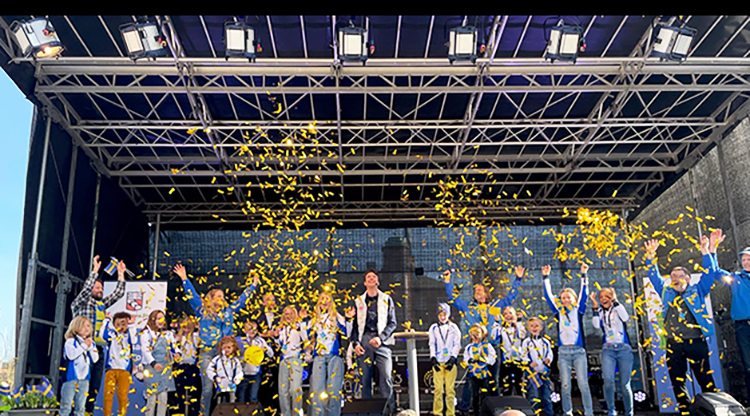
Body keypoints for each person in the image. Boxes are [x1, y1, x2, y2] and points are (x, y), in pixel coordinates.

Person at [645, 236, 718, 414]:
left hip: (696, 341)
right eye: (672, 277)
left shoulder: (698, 290)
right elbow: (653, 275)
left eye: (679, 276)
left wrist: (705, 250)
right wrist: (650, 255)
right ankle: (684, 408)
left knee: (704, 376)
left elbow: (710, 273)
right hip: (673, 344)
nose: (675, 279)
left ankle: (711, 409)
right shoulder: (665, 292)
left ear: (687, 278)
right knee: (677, 379)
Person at [173, 264, 258, 416]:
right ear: (210, 298)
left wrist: (252, 286)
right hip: (206, 353)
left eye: (223, 296)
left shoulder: (228, 312)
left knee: (229, 387)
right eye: (218, 296)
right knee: (207, 388)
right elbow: (192, 296)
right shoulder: (202, 310)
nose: (222, 298)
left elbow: (242, 300)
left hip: (224, 353)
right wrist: (185, 279)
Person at [444, 266, 523, 410]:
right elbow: (453, 299)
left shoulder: (495, 306)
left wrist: (518, 279)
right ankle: (465, 409)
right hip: (474, 347)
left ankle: (495, 408)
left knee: (493, 380)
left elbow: (510, 297)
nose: (476, 292)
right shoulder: (468, 307)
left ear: (486, 293)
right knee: (470, 380)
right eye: (475, 291)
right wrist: (448, 281)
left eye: (479, 290)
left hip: (492, 347)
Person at [71, 255, 126, 414]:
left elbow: (118, 294)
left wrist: (120, 274)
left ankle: (88, 412)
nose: (100, 290)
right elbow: (86, 289)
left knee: (94, 387)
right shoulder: (79, 303)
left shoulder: (101, 305)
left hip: (98, 350)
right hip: (81, 349)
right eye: (97, 288)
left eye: (101, 288)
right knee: (80, 385)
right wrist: (95, 270)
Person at [541, 263, 593, 416]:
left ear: (574, 299)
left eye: (568, 297)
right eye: (563, 298)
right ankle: (567, 412)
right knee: (565, 385)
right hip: (563, 352)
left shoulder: (579, 310)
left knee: (583, 384)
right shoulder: (559, 312)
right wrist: (546, 277)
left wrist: (584, 275)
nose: (565, 300)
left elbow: (584, 293)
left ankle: (589, 412)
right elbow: (548, 296)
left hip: (578, 351)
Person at [706, 228, 750, 405]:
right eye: (744, 259)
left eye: (749, 259)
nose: (746, 262)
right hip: (743, 327)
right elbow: (715, 272)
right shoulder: (736, 279)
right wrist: (712, 248)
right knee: (748, 366)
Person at [349, 270, 397, 413]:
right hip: (365, 340)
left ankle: (389, 410)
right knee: (365, 378)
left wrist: (381, 338)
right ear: (365, 283)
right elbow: (355, 327)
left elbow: (393, 323)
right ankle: (367, 412)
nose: (371, 278)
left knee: (386, 376)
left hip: (382, 340)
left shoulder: (386, 299)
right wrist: (356, 344)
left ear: (377, 282)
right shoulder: (358, 301)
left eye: (374, 277)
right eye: (368, 277)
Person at [591, 288, 633, 416]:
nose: (604, 299)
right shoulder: (600, 311)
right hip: (608, 349)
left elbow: (625, 318)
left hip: (623, 348)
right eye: (601, 297)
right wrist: (594, 306)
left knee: (625, 384)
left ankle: (629, 412)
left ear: (612, 297)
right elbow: (596, 325)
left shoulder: (618, 308)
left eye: (607, 296)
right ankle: (611, 410)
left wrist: (615, 300)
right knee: (608, 380)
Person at [308, 287, 348, 416]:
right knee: (317, 391)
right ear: (318, 302)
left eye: (327, 299)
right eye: (322, 299)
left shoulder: (336, 317)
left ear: (331, 302)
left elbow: (346, 332)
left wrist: (348, 318)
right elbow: (306, 336)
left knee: (334, 391)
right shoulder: (314, 319)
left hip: (334, 357)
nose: (324, 302)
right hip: (319, 357)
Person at [141, 310, 182, 416]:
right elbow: (145, 350)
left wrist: (177, 353)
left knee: (163, 399)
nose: (161, 321)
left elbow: (173, 346)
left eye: (162, 318)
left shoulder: (168, 334)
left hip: (165, 369)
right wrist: (154, 363)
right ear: (152, 319)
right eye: (158, 318)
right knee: (151, 399)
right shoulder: (146, 333)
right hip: (152, 368)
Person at [273, 305, 308, 416]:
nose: (288, 316)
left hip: (296, 360)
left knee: (295, 390)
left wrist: (302, 322)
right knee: (283, 392)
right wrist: (276, 336)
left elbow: (305, 338)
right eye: (286, 314)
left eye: (291, 313)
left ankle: (297, 414)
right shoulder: (282, 328)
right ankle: (286, 414)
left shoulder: (299, 326)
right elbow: (279, 345)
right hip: (284, 361)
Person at [60, 316, 99, 416]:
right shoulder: (70, 341)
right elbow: (71, 355)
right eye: (83, 326)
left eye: (88, 326)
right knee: (66, 407)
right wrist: (84, 346)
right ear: (76, 327)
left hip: (84, 380)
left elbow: (95, 359)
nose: (87, 329)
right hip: (71, 379)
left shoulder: (91, 343)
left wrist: (90, 347)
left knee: (81, 408)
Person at [99, 312, 134, 416]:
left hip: (125, 370)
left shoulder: (129, 336)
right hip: (111, 369)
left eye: (123, 325)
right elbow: (102, 335)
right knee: (108, 395)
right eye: (118, 325)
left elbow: (135, 339)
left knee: (122, 395)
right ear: (114, 325)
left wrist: (132, 325)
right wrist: (106, 320)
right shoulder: (112, 335)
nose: (120, 327)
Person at [429, 303, 461, 416]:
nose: (442, 317)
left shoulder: (454, 327)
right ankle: (437, 413)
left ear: (448, 314)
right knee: (438, 389)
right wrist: (433, 358)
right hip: (438, 361)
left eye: (444, 314)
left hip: (450, 362)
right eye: (440, 314)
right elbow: (432, 343)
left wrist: (453, 358)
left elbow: (457, 344)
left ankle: (450, 413)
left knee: (450, 390)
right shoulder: (433, 328)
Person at [520, 317, 554, 416]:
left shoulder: (546, 341)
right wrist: (529, 362)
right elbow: (523, 355)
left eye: (536, 326)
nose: (534, 328)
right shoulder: (526, 342)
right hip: (532, 373)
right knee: (533, 397)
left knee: (547, 396)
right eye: (532, 326)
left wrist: (548, 359)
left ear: (541, 327)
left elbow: (550, 353)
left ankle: (549, 414)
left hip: (544, 371)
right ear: (528, 328)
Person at [491, 306, 526, 396]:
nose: (508, 315)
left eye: (510, 313)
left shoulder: (518, 327)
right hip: (505, 361)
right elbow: (494, 336)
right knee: (506, 385)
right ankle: (507, 407)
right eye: (505, 314)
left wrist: (519, 321)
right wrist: (496, 322)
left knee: (519, 385)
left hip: (518, 360)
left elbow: (521, 335)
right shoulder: (501, 329)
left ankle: (520, 406)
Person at [255, 292, 281, 415]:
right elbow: (249, 333)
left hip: (277, 357)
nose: (271, 302)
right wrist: (262, 335)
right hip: (260, 357)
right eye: (268, 299)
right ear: (263, 303)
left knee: (276, 385)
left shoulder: (281, 317)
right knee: (262, 386)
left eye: (273, 299)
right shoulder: (256, 317)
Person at [463, 323, 497, 416]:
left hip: (485, 374)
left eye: (477, 334)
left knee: (486, 395)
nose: (475, 336)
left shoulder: (487, 346)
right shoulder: (469, 347)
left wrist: (483, 359)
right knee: (475, 395)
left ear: (482, 334)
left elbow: (493, 359)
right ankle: (476, 413)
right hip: (473, 375)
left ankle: (486, 413)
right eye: (473, 334)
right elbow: (465, 360)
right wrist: (469, 361)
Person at [235, 320, 273, 404]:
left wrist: (265, 349)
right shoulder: (238, 341)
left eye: (255, 329)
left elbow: (271, 354)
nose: (252, 331)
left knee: (253, 397)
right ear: (244, 330)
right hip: (242, 374)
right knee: (241, 398)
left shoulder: (260, 341)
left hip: (256, 374)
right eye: (249, 328)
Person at [174, 316, 201, 416]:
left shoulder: (196, 337)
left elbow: (198, 345)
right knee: (179, 392)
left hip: (192, 367)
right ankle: (180, 411)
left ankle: (194, 413)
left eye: (188, 328)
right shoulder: (178, 337)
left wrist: (197, 330)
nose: (186, 330)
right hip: (181, 366)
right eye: (184, 328)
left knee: (193, 392)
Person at [207, 336, 243, 404]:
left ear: (233, 348)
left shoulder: (235, 360)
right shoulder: (217, 359)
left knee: (230, 405)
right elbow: (209, 369)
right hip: (220, 387)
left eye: (229, 347)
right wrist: (215, 377)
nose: (226, 349)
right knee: (219, 405)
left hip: (231, 387)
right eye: (224, 348)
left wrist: (237, 378)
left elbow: (239, 371)